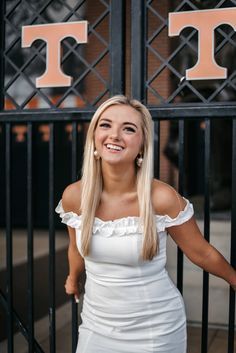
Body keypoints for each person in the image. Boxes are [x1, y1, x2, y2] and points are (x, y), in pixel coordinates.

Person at [56, 95, 236, 353]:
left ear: (141, 145)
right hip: (97, 326)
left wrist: (234, 279)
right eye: (105, 125)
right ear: (94, 137)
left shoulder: (161, 198)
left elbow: (201, 251)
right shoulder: (74, 196)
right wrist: (73, 279)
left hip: (155, 329)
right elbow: (76, 248)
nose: (115, 135)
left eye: (128, 128)